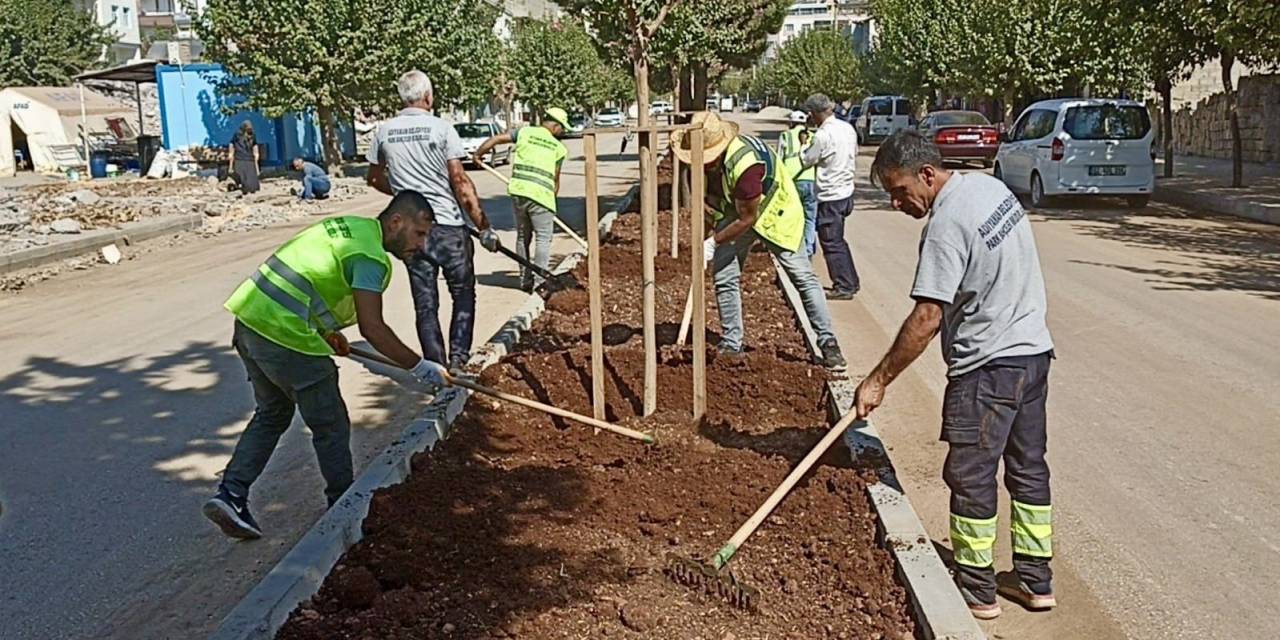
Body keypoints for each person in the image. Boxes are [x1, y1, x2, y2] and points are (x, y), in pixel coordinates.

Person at [854, 130, 1056, 619]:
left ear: (927, 174)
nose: (898, 203)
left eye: (900, 191)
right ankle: (1036, 581)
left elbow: (926, 318)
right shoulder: (990, 190)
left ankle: (977, 588)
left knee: (971, 477)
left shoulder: (946, 225)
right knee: (1028, 470)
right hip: (1033, 357)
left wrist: (878, 379)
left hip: (987, 370)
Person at [204, 191, 448, 539]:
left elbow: (312, 276)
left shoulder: (351, 229)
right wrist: (420, 367)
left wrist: (328, 332)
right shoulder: (371, 257)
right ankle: (345, 508)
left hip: (251, 322)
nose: (421, 245)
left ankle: (230, 495)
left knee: (273, 414)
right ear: (397, 222)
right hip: (285, 334)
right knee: (330, 424)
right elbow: (373, 328)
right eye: (419, 234)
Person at [670, 111, 846, 370]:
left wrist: (714, 242)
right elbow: (712, 203)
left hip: (776, 211)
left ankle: (828, 342)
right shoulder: (702, 167)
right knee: (724, 275)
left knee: (801, 276)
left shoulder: (746, 166)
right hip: (738, 211)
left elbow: (748, 218)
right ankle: (732, 343)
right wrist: (706, 231)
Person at [366, 70, 498, 372]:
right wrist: (484, 227)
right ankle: (458, 361)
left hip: (410, 233)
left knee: (425, 303)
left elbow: (374, 178)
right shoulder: (441, 129)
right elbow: (460, 181)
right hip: (449, 228)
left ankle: (436, 369)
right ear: (428, 97)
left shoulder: (384, 131)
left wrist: (402, 193)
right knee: (463, 292)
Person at [472, 108, 570, 291]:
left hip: (519, 193)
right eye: (562, 129)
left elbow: (496, 139)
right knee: (543, 238)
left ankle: (525, 281)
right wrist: (551, 202)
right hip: (541, 198)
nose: (562, 133)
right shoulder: (558, 148)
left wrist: (478, 154)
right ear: (555, 126)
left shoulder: (525, 132)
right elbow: (555, 180)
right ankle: (541, 283)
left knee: (523, 237)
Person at [800, 94, 860, 300]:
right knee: (838, 240)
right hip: (846, 192)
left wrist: (802, 145)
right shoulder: (847, 129)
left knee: (831, 242)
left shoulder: (822, 136)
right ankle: (851, 280)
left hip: (830, 195)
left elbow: (808, 159)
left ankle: (843, 285)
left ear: (815, 114)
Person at [778, 110, 819, 258]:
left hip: (792, 182)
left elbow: (779, 160)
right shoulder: (814, 137)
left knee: (792, 216)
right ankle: (808, 250)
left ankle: (792, 248)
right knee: (810, 218)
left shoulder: (786, 136)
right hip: (810, 181)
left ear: (791, 123)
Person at [228, 121, 260, 196]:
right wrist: (231, 153)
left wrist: (256, 153)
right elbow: (231, 143)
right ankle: (242, 188)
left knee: (251, 176)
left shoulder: (252, 135)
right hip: (240, 157)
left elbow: (255, 144)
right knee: (241, 175)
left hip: (249, 158)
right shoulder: (237, 135)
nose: (249, 130)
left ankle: (252, 189)